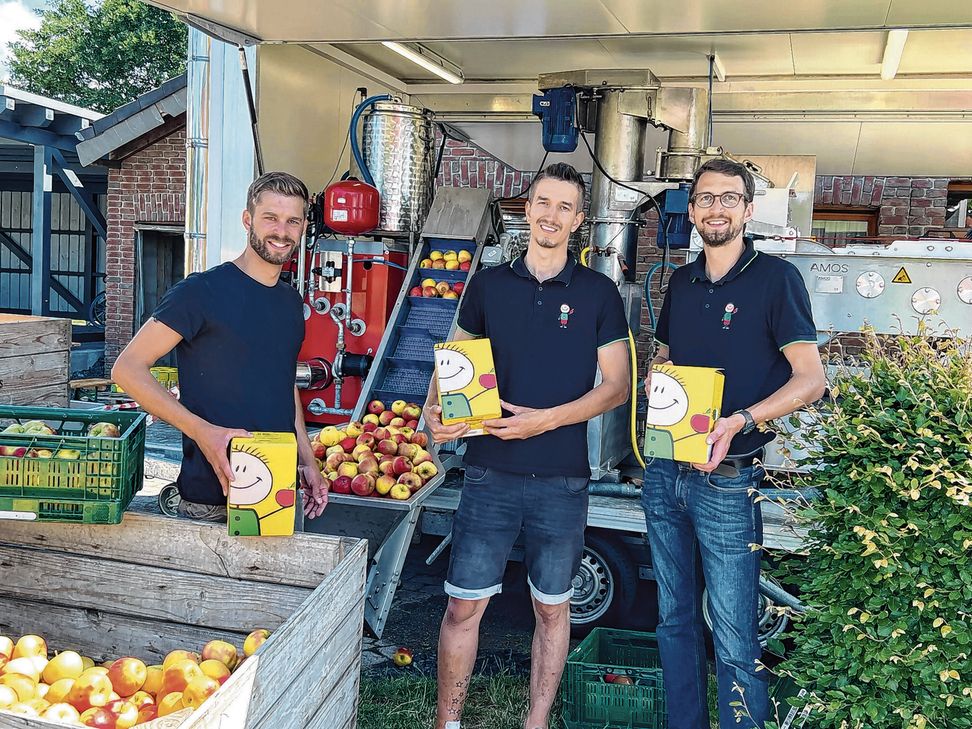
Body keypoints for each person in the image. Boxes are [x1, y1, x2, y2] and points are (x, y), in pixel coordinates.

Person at [424, 162, 631, 729]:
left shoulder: (599, 292)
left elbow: (616, 386)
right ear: (527, 208)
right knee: (463, 605)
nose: (551, 215)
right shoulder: (489, 284)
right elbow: (453, 362)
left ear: (580, 220)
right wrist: (436, 414)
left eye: (565, 207)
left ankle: (535, 722)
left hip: (562, 479)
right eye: (543, 202)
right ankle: (449, 722)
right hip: (489, 472)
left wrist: (545, 422)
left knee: (551, 608)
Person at [642, 159, 826, 729]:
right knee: (673, 621)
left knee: (734, 634)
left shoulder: (776, 280)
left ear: (748, 210)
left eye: (729, 198)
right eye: (704, 199)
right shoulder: (681, 280)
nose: (715, 208)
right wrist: (659, 374)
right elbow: (669, 356)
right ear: (691, 211)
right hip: (666, 468)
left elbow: (811, 379)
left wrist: (741, 420)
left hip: (728, 477)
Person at [112, 171, 328, 523]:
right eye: (270, 218)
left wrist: (307, 461)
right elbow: (127, 368)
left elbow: (283, 385)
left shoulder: (290, 302)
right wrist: (203, 432)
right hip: (211, 499)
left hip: (275, 495)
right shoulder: (201, 292)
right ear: (247, 220)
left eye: (292, 221)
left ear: (303, 226)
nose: (281, 232)